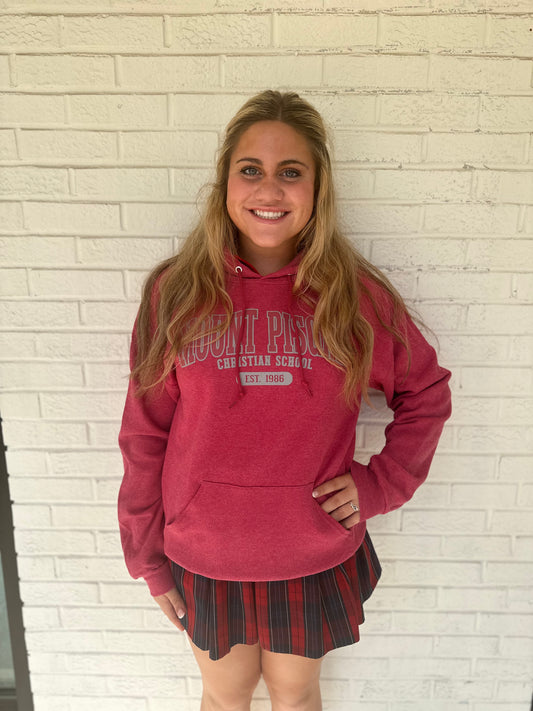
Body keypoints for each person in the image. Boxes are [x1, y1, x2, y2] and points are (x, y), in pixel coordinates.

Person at [117, 90, 452, 711]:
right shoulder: (176, 292)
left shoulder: (354, 297)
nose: (269, 190)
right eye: (251, 169)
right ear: (225, 183)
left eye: (290, 172)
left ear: (317, 189)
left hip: (311, 547)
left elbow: (425, 392)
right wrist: (146, 554)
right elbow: (144, 433)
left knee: (295, 696)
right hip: (205, 550)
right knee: (225, 696)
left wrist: (380, 485)